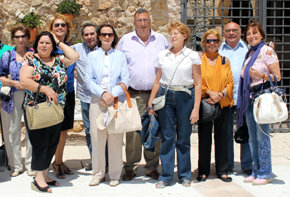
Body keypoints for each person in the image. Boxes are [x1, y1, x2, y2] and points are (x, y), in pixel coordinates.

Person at [20, 31, 79, 192]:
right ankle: (38, 179)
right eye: (41, 42)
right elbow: (24, 80)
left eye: (48, 43)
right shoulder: (31, 60)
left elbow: (74, 56)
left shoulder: (59, 60)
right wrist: (43, 89)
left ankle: (45, 175)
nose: (44, 45)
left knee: (52, 142)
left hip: (56, 109)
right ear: (36, 45)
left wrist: (58, 41)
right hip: (36, 108)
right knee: (40, 143)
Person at [147, 21, 202, 188]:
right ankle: (166, 175)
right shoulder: (163, 55)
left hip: (185, 97)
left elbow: (198, 83)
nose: (172, 36)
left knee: (184, 138)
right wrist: (150, 102)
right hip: (165, 96)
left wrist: (196, 109)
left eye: (176, 33)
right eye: (171, 33)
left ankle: (184, 174)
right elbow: (157, 80)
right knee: (168, 137)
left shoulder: (192, 55)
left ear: (185, 36)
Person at [117, 8, 169, 181]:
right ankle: (130, 166)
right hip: (133, 94)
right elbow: (118, 64)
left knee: (154, 129)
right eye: (139, 20)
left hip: (156, 94)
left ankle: (152, 166)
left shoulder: (161, 40)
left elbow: (169, 62)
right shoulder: (125, 40)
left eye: (145, 20)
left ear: (150, 21)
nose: (143, 23)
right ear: (134, 22)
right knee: (132, 131)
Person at [237, 21, 280, 185]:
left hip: (262, 97)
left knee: (262, 137)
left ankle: (266, 172)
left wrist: (260, 75)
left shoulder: (267, 51)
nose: (251, 36)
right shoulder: (250, 53)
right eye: (248, 34)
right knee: (253, 138)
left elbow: (277, 76)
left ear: (261, 34)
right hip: (250, 99)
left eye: (255, 33)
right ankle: (256, 170)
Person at [86, 24, 129, 187]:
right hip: (98, 101)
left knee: (116, 138)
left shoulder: (120, 56)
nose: (106, 37)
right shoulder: (92, 56)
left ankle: (115, 174)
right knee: (97, 138)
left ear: (114, 37)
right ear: (98, 36)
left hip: (115, 101)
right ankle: (98, 173)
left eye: (109, 34)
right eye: (103, 34)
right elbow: (88, 80)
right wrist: (102, 94)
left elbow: (125, 79)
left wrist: (112, 94)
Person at [197, 28, 234, 182]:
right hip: (206, 102)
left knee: (223, 138)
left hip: (223, 103)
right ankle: (203, 170)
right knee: (204, 138)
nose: (212, 44)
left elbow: (230, 82)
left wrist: (221, 94)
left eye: (215, 41)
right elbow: (196, 81)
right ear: (204, 43)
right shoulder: (199, 60)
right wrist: (210, 93)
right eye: (208, 41)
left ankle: (222, 170)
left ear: (219, 43)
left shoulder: (225, 60)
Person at [0, 24, 34, 177]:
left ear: (28, 37)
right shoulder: (7, 55)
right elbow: (1, 77)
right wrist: (14, 83)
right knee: (12, 130)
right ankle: (16, 165)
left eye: (23, 36)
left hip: (31, 96)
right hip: (12, 96)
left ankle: (30, 164)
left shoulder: (34, 53)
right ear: (13, 38)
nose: (20, 39)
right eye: (17, 36)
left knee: (31, 130)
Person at [218, 22, 252, 175]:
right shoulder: (219, 49)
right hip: (225, 97)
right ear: (223, 33)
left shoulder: (248, 49)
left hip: (244, 97)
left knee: (246, 131)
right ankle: (228, 164)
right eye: (228, 31)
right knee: (225, 134)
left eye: (234, 30)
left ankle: (247, 164)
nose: (231, 33)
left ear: (240, 32)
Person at [49, 14, 76, 179]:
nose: (60, 28)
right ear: (51, 29)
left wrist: (60, 42)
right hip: (53, 94)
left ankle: (58, 160)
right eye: (56, 25)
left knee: (64, 130)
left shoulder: (69, 47)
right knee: (53, 130)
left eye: (63, 25)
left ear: (67, 29)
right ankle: (54, 162)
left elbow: (74, 57)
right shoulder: (47, 46)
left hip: (69, 92)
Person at [71, 23, 98, 171]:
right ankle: (95, 160)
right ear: (83, 37)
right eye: (86, 34)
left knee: (104, 129)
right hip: (86, 97)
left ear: (97, 34)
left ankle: (105, 160)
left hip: (102, 98)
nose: (89, 37)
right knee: (88, 130)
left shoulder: (104, 50)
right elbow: (57, 51)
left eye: (92, 34)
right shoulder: (77, 49)